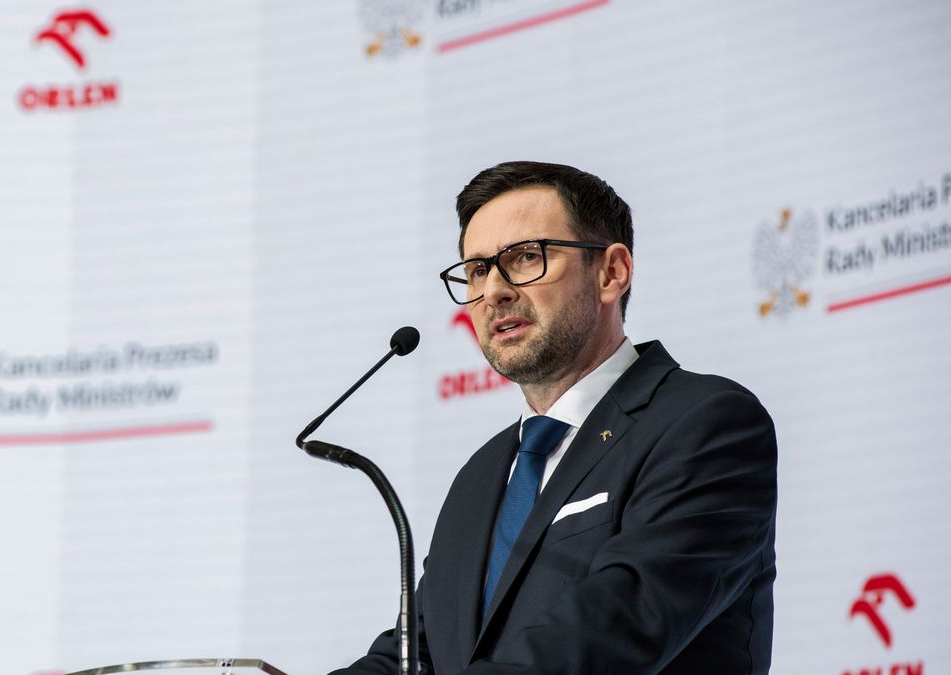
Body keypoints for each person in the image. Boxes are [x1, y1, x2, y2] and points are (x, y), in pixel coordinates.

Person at [331, 162, 777, 674]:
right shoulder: (482, 474)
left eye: (524, 257)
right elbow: (417, 654)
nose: (494, 290)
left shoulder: (704, 425)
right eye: (477, 270)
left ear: (611, 272)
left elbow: (612, 629)